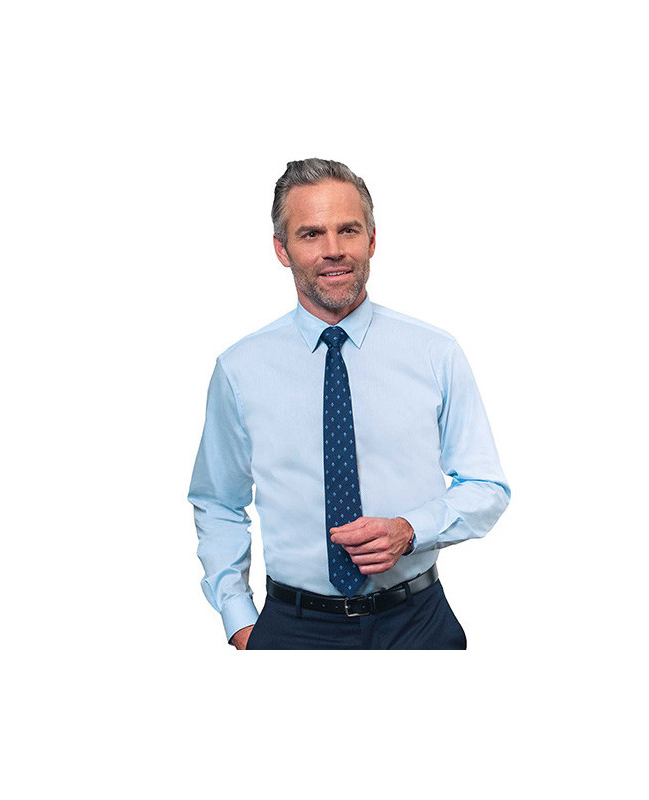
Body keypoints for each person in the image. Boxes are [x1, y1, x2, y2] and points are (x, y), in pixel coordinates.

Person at [188, 158, 510, 649]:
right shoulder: (240, 369)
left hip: (418, 624)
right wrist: (239, 620)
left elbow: (486, 486)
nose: (333, 250)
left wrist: (411, 530)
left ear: (372, 240)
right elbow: (218, 502)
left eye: (348, 230)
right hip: (293, 628)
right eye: (311, 234)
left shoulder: (434, 353)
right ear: (282, 249)